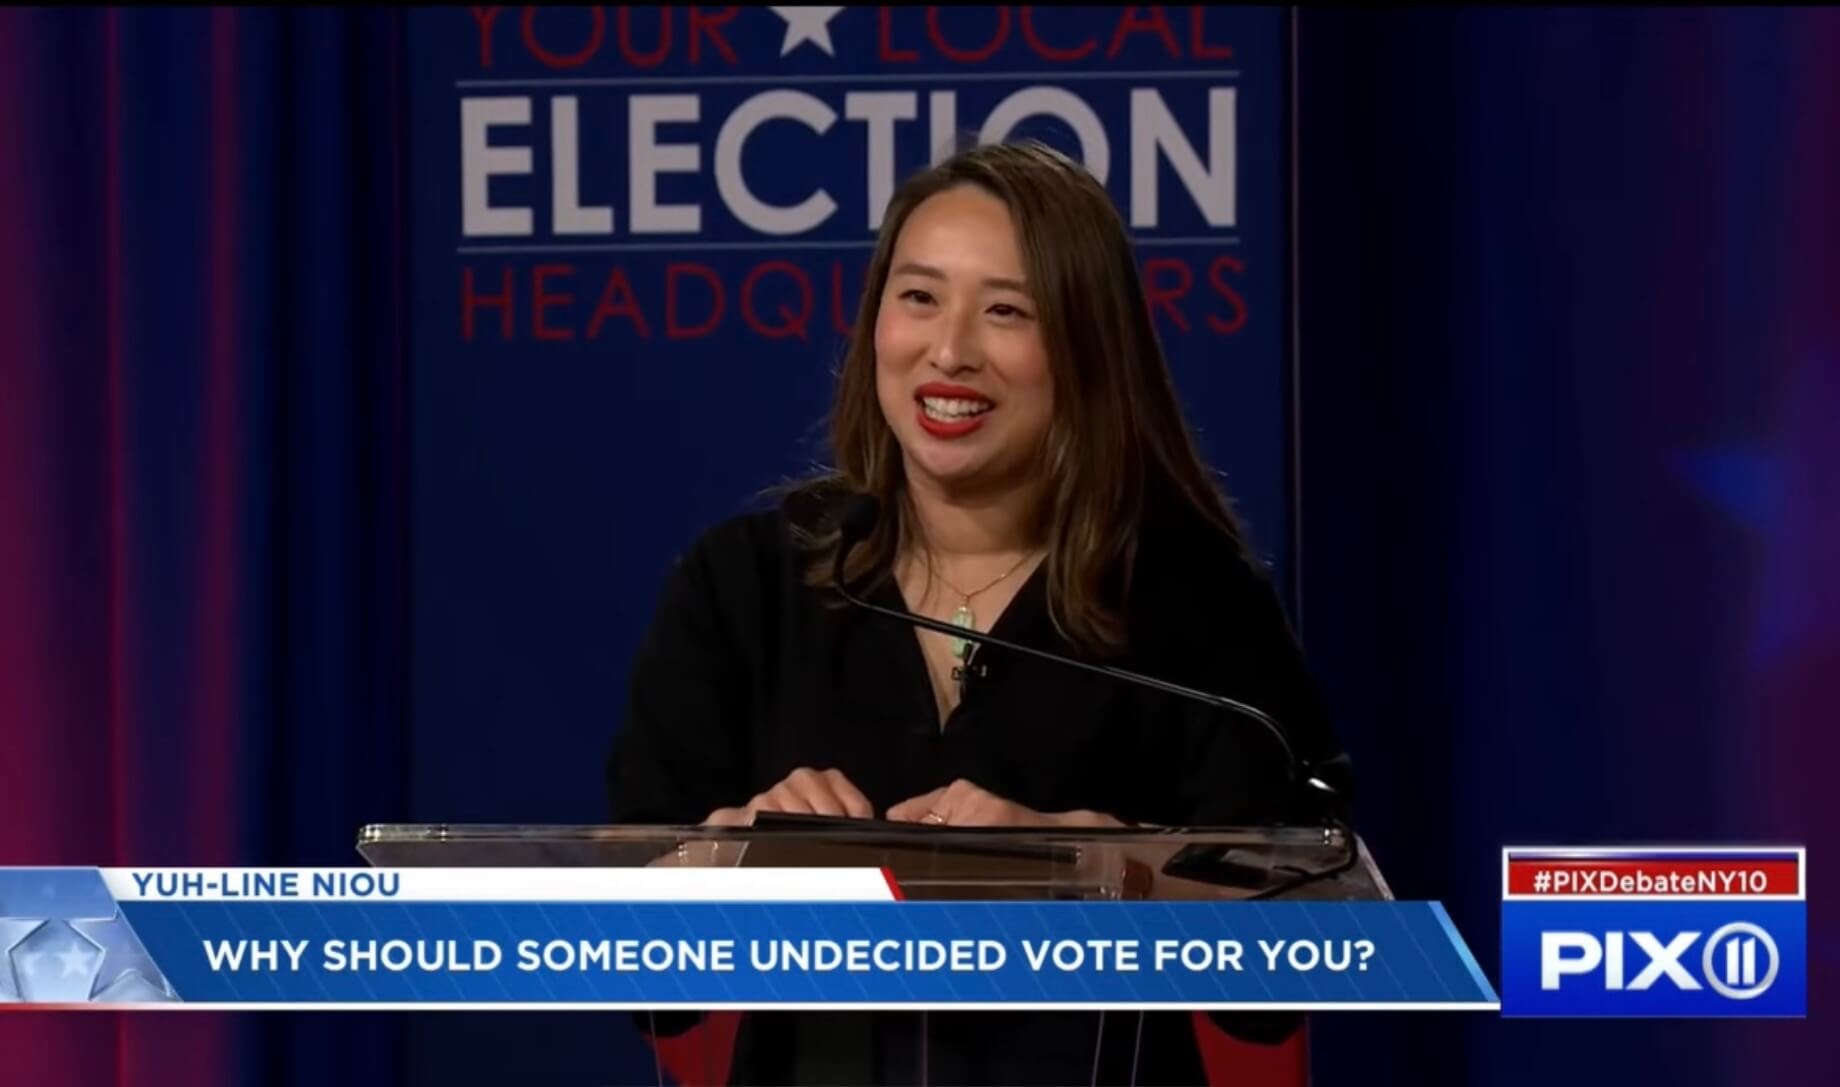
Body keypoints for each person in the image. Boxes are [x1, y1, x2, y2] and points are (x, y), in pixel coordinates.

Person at [606, 139, 1353, 1086]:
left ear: (1086, 348)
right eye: (918, 297)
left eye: (1007, 310)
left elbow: (1303, 937)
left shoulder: (1190, 605)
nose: (949, 349)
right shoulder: (746, 588)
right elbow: (633, 962)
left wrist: (1096, 863)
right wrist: (729, 851)